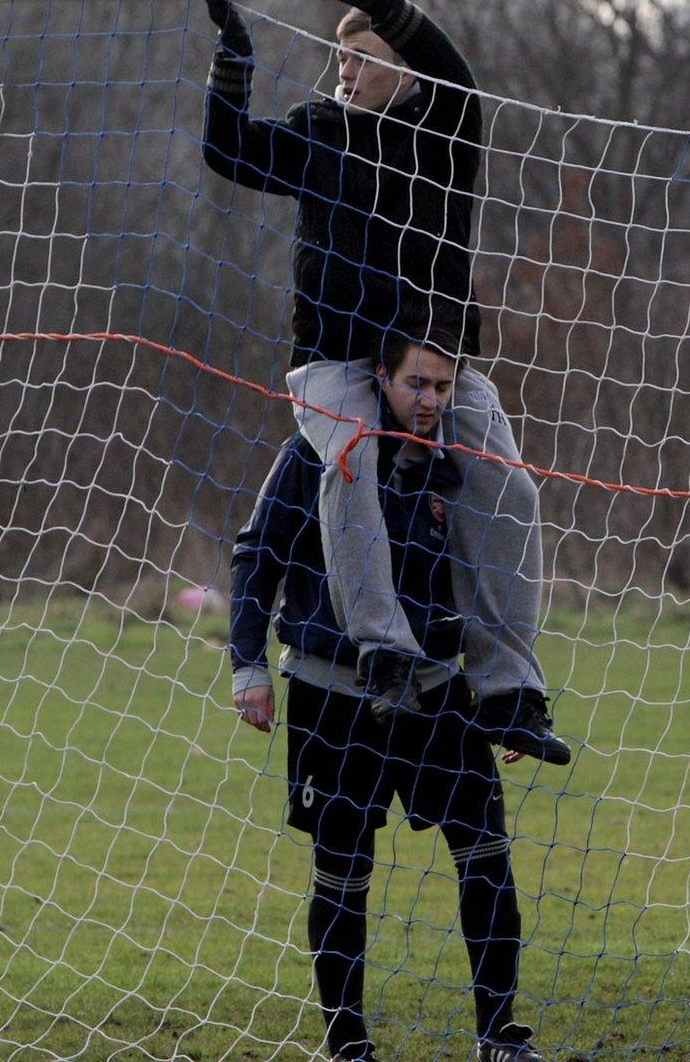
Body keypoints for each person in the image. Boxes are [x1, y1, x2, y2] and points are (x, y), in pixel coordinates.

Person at [203, 0, 568, 763]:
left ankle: (510, 690)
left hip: (432, 355)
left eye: (364, 53)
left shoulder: (445, 130)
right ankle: (386, 656)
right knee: (351, 465)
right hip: (335, 357)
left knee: (508, 484)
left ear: (403, 65)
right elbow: (228, 152)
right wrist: (232, 60)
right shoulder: (317, 131)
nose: (347, 69)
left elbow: (459, 76)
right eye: (342, 56)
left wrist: (385, 5)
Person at [231, 330, 547, 1062]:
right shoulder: (317, 451)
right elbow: (258, 554)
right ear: (380, 378)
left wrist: (501, 688)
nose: (429, 400)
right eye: (415, 383)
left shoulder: (461, 460)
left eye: (441, 385)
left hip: (440, 692)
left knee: (487, 857)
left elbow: (491, 575)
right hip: (334, 696)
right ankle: (348, 1046)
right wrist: (247, 666)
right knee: (344, 874)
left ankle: (499, 1036)